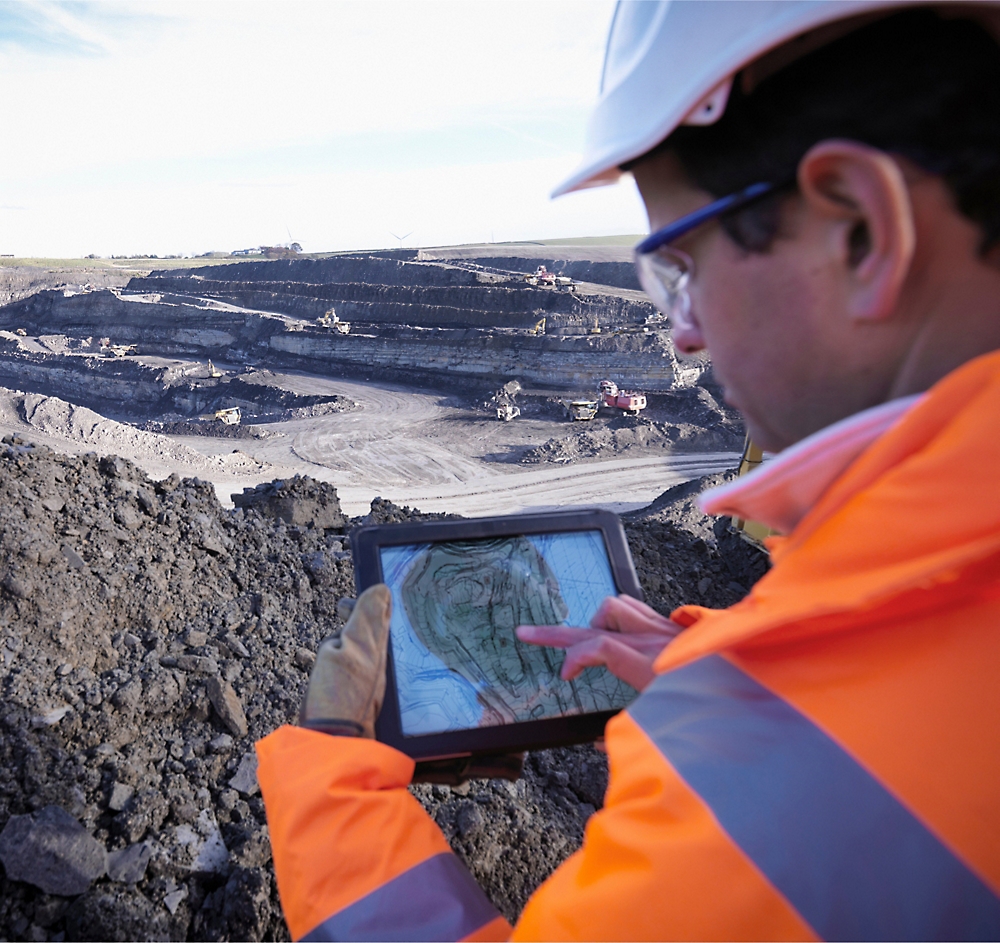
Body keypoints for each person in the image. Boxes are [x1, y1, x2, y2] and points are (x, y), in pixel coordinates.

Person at [256, 2, 1000, 939]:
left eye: (681, 264)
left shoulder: (775, 796)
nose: (682, 331)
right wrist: (729, 670)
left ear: (860, 229)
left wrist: (331, 763)